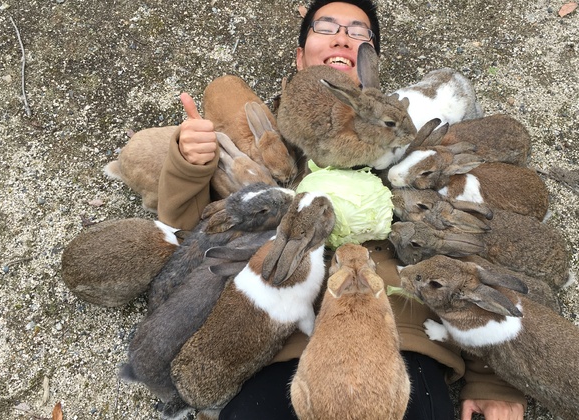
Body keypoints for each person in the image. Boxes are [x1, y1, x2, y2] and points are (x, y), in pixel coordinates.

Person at [155, 0, 527, 418]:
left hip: (402, 342)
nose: (342, 37)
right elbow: (185, 233)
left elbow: (466, 249)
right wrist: (190, 164)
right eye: (325, 26)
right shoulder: (275, 140)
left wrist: (492, 377)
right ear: (300, 58)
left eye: (358, 32)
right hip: (278, 346)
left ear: (370, 64)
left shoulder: (406, 140)